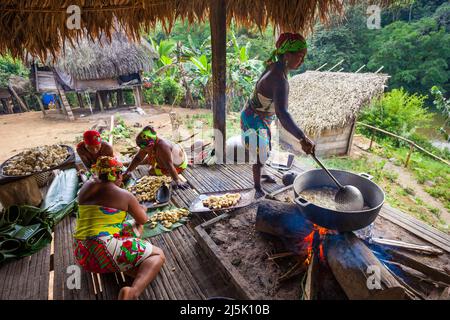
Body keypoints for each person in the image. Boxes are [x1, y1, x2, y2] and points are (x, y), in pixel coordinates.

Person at [73, 156, 165, 300]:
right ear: (116, 174)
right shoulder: (124, 195)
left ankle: (122, 262)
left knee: (132, 227)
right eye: (120, 173)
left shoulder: (86, 187)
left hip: (82, 253)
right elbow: (143, 219)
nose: (121, 177)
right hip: (103, 249)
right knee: (158, 255)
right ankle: (132, 292)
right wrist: (142, 208)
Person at [241, 33, 316, 198]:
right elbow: (283, 114)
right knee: (262, 153)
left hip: (260, 115)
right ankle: (257, 188)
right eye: (300, 56)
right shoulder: (279, 79)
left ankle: (263, 172)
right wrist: (302, 138)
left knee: (266, 148)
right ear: (287, 55)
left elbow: (279, 110)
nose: (302, 60)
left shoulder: (276, 67)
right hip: (254, 117)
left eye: (304, 56)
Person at [124, 125, 189, 189]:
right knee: (149, 157)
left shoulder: (162, 147)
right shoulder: (151, 141)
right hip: (176, 155)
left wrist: (178, 181)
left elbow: (170, 166)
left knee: (151, 170)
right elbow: (138, 158)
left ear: (151, 145)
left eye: (143, 148)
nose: (142, 150)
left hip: (179, 166)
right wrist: (128, 171)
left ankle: (166, 171)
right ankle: (129, 165)